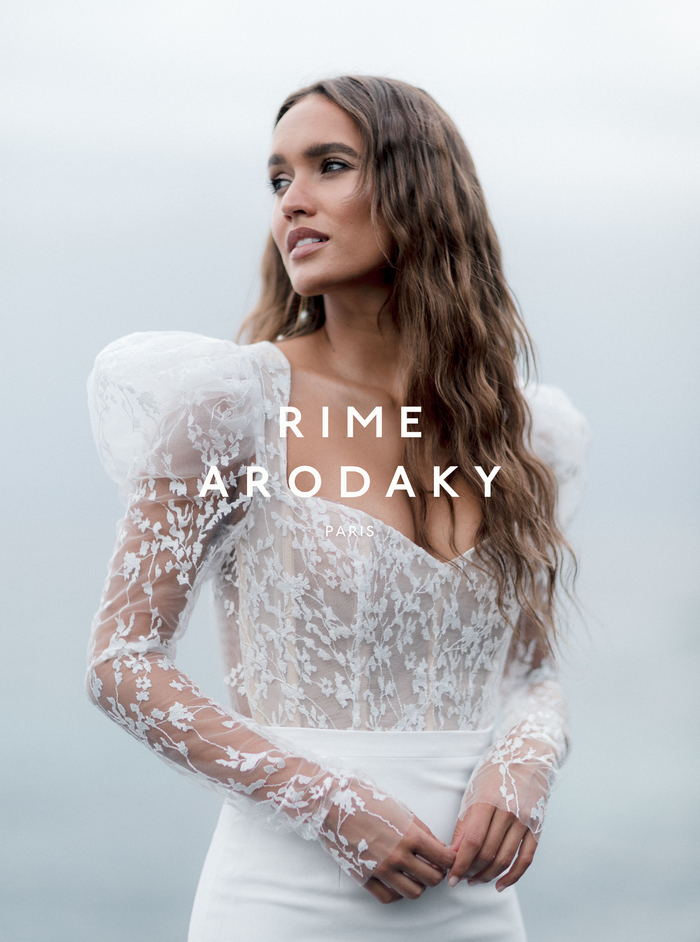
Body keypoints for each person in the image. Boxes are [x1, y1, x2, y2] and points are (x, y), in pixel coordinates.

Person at [86, 75, 591, 941]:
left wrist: (523, 765)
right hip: (287, 892)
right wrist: (328, 802)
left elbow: (532, 673)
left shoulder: (519, 434)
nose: (294, 203)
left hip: (475, 900)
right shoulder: (230, 406)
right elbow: (123, 662)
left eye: (329, 166)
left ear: (422, 190)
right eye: (279, 180)